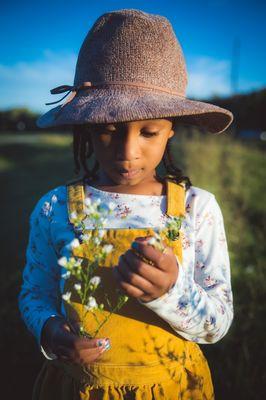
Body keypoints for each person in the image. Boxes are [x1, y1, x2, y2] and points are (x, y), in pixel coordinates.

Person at [18, 8, 234, 400]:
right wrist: (51, 330)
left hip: (172, 387)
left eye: (149, 132)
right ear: (86, 128)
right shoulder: (55, 209)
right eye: (107, 131)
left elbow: (216, 325)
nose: (127, 152)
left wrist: (170, 292)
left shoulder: (196, 209)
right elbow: (35, 293)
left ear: (171, 130)